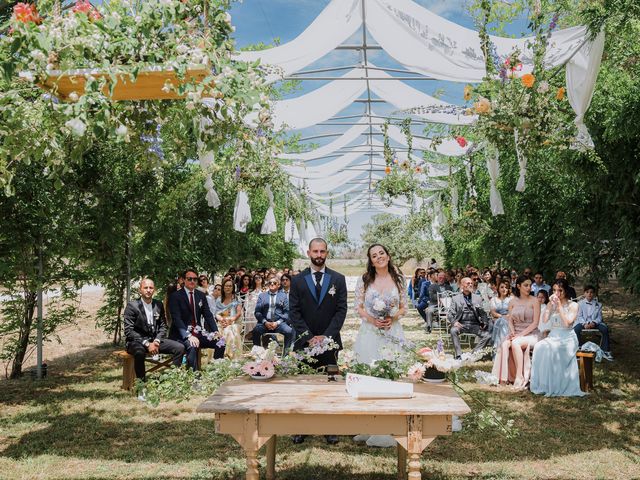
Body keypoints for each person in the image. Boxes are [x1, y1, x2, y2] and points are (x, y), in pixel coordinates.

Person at [289, 238, 347, 445]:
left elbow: (341, 310)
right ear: (308, 253)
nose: (319, 255)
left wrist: (327, 336)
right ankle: (301, 427)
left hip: (330, 343)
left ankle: (329, 428)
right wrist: (309, 336)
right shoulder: (297, 281)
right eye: (316, 251)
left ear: (327, 253)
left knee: (330, 385)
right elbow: (294, 312)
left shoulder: (338, 279)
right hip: (305, 343)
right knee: (304, 385)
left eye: (322, 251)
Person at [352, 244, 408, 448]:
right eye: (374, 256)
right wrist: (372, 320)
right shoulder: (364, 279)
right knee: (369, 374)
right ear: (371, 260)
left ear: (388, 255)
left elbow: (404, 307)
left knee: (391, 376)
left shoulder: (399, 279)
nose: (378, 257)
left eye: (381, 253)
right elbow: (358, 307)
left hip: (392, 332)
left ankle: (389, 424)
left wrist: (392, 318)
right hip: (369, 332)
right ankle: (368, 423)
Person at [124, 278, 185, 398]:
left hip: (155, 340)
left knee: (180, 347)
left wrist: (157, 340)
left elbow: (163, 326)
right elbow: (129, 331)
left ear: (154, 290)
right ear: (140, 290)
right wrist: (147, 343)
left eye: (151, 288)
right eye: (145, 288)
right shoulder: (132, 306)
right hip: (136, 342)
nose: (148, 290)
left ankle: (173, 382)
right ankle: (142, 387)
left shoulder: (158, 304)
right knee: (139, 352)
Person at [530, 279, 586, 397]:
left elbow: (567, 323)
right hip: (554, 336)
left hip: (567, 338)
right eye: (554, 290)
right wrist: (550, 307)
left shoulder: (573, 305)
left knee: (552, 349)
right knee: (539, 347)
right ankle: (543, 384)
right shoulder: (552, 304)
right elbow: (544, 320)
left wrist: (559, 306)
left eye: (560, 290)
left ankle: (556, 385)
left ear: (566, 291)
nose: (557, 293)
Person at [169, 268, 224, 370]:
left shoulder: (201, 295)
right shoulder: (175, 296)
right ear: (184, 280)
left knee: (220, 342)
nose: (192, 281)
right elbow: (177, 319)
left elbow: (208, 315)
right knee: (192, 344)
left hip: (198, 332)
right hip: (181, 335)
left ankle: (217, 371)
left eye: (195, 279)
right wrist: (188, 335)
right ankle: (194, 378)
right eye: (189, 279)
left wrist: (215, 331)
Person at [491, 275, 540, 390]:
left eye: (530, 285)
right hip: (515, 333)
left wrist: (519, 335)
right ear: (518, 286)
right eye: (526, 285)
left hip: (532, 334)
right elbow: (510, 320)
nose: (529, 288)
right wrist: (513, 332)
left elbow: (535, 323)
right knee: (503, 344)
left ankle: (520, 376)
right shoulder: (513, 301)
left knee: (515, 343)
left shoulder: (535, 301)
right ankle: (503, 378)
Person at [447, 277, 492, 359]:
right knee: (453, 330)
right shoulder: (455, 298)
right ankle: (458, 354)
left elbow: (483, 314)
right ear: (462, 285)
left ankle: (474, 353)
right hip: (461, 324)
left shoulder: (477, 298)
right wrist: (454, 322)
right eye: (468, 283)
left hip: (475, 325)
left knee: (488, 335)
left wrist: (484, 323)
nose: (471, 285)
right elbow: (450, 314)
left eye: (471, 283)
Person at [252, 276, 294, 352]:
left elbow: (287, 313)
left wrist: (277, 323)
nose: (272, 284)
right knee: (256, 331)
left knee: (289, 331)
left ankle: (285, 356)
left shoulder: (283, 296)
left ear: (278, 285)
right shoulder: (262, 296)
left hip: (279, 323)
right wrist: (265, 322)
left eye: (274, 283)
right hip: (265, 323)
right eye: (270, 283)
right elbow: (257, 312)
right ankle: (257, 354)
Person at [574, 285, 613, 360]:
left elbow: (599, 317)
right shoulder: (580, 304)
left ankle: (605, 350)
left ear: (594, 294)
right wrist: (584, 324)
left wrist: (594, 323)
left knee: (604, 329)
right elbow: (579, 316)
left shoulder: (598, 304)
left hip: (594, 322)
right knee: (576, 329)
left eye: (591, 292)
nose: (589, 294)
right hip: (583, 322)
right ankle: (578, 349)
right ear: (584, 293)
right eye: (587, 292)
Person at [215, 278, 244, 360]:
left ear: (233, 288)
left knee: (230, 330)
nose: (228, 288)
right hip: (222, 322)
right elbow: (216, 314)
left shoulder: (236, 299)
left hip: (235, 322)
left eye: (230, 286)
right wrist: (222, 320)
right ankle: (220, 357)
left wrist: (231, 320)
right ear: (223, 287)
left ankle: (230, 356)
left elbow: (238, 313)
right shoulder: (219, 300)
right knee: (217, 332)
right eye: (226, 286)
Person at [490, 279, 512, 353]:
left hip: (509, 319)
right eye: (502, 287)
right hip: (497, 319)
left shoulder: (511, 299)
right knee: (501, 321)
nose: (504, 289)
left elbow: (512, 312)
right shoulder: (494, 299)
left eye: (506, 287)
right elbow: (493, 312)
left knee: (502, 322)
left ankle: (498, 349)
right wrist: (501, 317)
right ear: (498, 289)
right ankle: (501, 349)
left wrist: (506, 317)